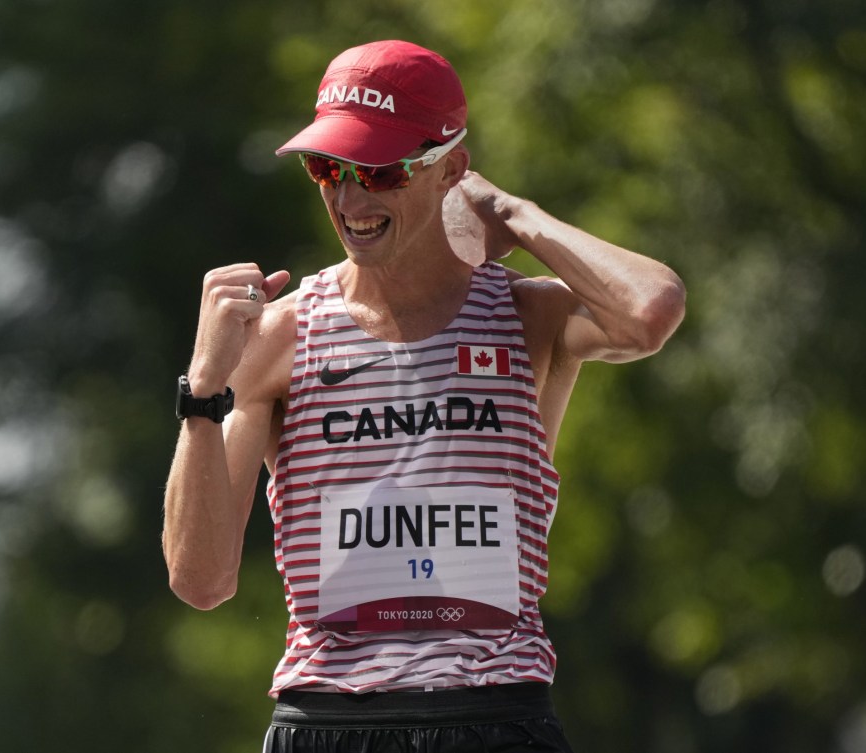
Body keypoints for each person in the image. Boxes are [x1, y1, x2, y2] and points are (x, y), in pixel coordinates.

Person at [163, 39, 686, 753]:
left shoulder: (528, 317)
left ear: (451, 169)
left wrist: (513, 213)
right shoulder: (282, 336)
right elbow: (201, 580)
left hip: (495, 716)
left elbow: (650, 310)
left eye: (377, 172)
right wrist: (202, 389)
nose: (349, 200)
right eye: (328, 167)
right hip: (330, 720)